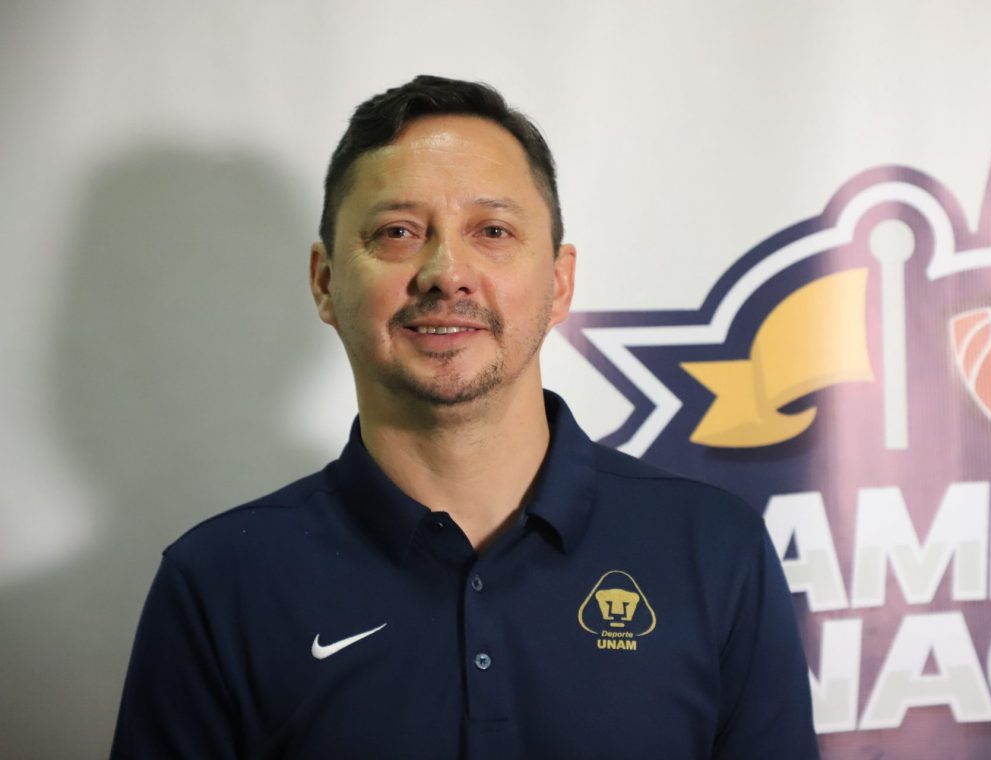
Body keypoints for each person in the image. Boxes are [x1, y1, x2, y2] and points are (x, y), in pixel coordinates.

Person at [110, 75, 819, 759]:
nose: (446, 272)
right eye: (397, 232)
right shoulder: (219, 582)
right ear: (325, 283)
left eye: (493, 230)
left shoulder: (715, 549)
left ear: (560, 281)